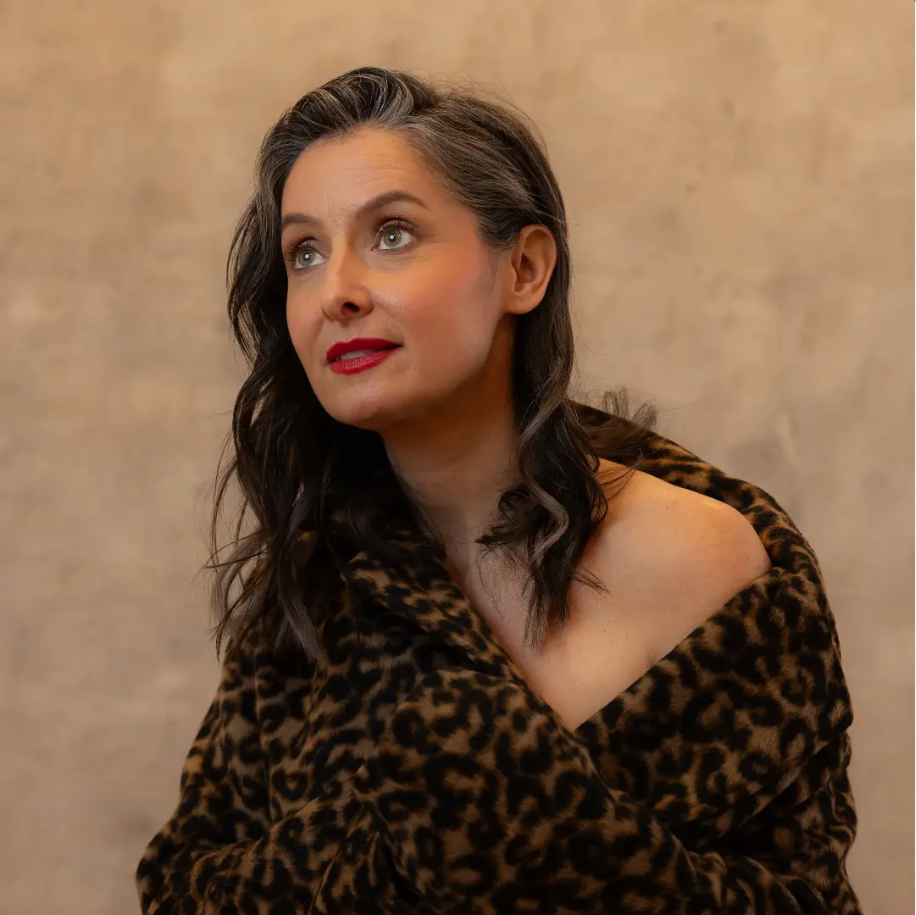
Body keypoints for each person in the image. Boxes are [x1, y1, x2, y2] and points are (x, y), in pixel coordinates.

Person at [135, 66, 861, 913]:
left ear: (524, 267)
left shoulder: (701, 556)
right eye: (305, 252)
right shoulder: (317, 583)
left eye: (392, 234)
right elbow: (183, 888)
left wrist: (478, 813)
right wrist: (420, 836)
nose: (336, 293)